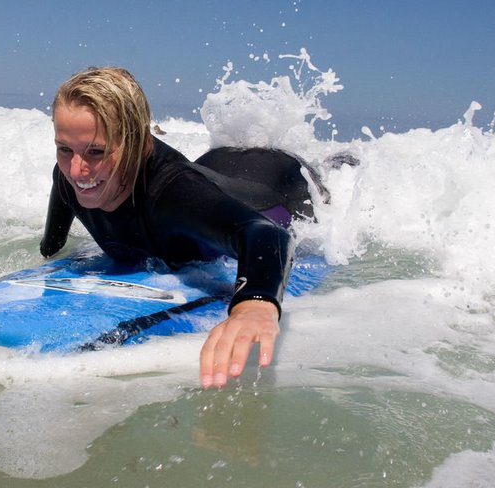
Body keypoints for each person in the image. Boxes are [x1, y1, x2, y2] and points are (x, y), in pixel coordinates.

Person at [40, 67, 327, 388]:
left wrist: (254, 305)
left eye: (96, 151)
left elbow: (268, 234)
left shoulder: (171, 195)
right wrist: (48, 253)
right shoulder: (67, 178)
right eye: (64, 148)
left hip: (282, 183)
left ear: (136, 140)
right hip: (216, 164)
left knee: (325, 176)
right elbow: (60, 206)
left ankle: (338, 161)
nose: (77, 170)